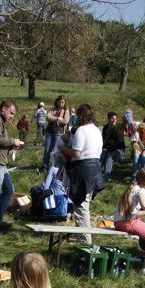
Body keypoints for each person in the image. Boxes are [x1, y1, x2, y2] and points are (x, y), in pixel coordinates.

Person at [60, 103, 102, 245]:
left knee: (81, 206)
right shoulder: (96, 130)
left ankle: (85, 242)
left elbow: (76, 153)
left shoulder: (82, 130)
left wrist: (63, 149)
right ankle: (83, 237)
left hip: (84, 169)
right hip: (95, 168)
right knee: (84, 205)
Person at [113, 169, 145, 278]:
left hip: (119, 223)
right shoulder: (142, 190)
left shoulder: (132, 188)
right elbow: (144, 202)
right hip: (128, 223)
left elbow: (133, 212)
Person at [42, 95, 70, 171]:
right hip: (49, 131)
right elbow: (48, 117)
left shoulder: (66, 111)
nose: (61, 104)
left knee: (55, 151)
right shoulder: (52, 109)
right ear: (57, 101)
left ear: (65, 103)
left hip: (58, 132)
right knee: (47, 150)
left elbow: (65, 121)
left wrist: (53, 119)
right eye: (59, 102)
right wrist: (57, 118)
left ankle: (54, 167)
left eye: (62, 102)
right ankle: (44, 167)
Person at [99, 111, 126, 184]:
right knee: (101, 155)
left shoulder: (119, 128)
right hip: (107, 148)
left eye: (115, 119)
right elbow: (103, 141)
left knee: (109, 158)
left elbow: (120, 143)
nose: (114, 120)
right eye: (112, 118)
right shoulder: (105, 128)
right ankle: (96, 175)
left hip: (119, 149)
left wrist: (110, 149)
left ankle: (104, 179)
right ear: (108, 119)